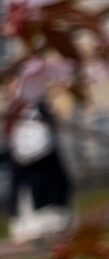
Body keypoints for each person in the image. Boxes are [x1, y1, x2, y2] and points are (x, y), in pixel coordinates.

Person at [4, 100, 73, 243]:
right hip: (25, 165)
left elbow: (43, 140)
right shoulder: (14, 111)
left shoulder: (38, 108)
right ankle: (33, 228)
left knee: (48, 192)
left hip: (42, 164)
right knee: (27, 196)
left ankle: (52, 225)